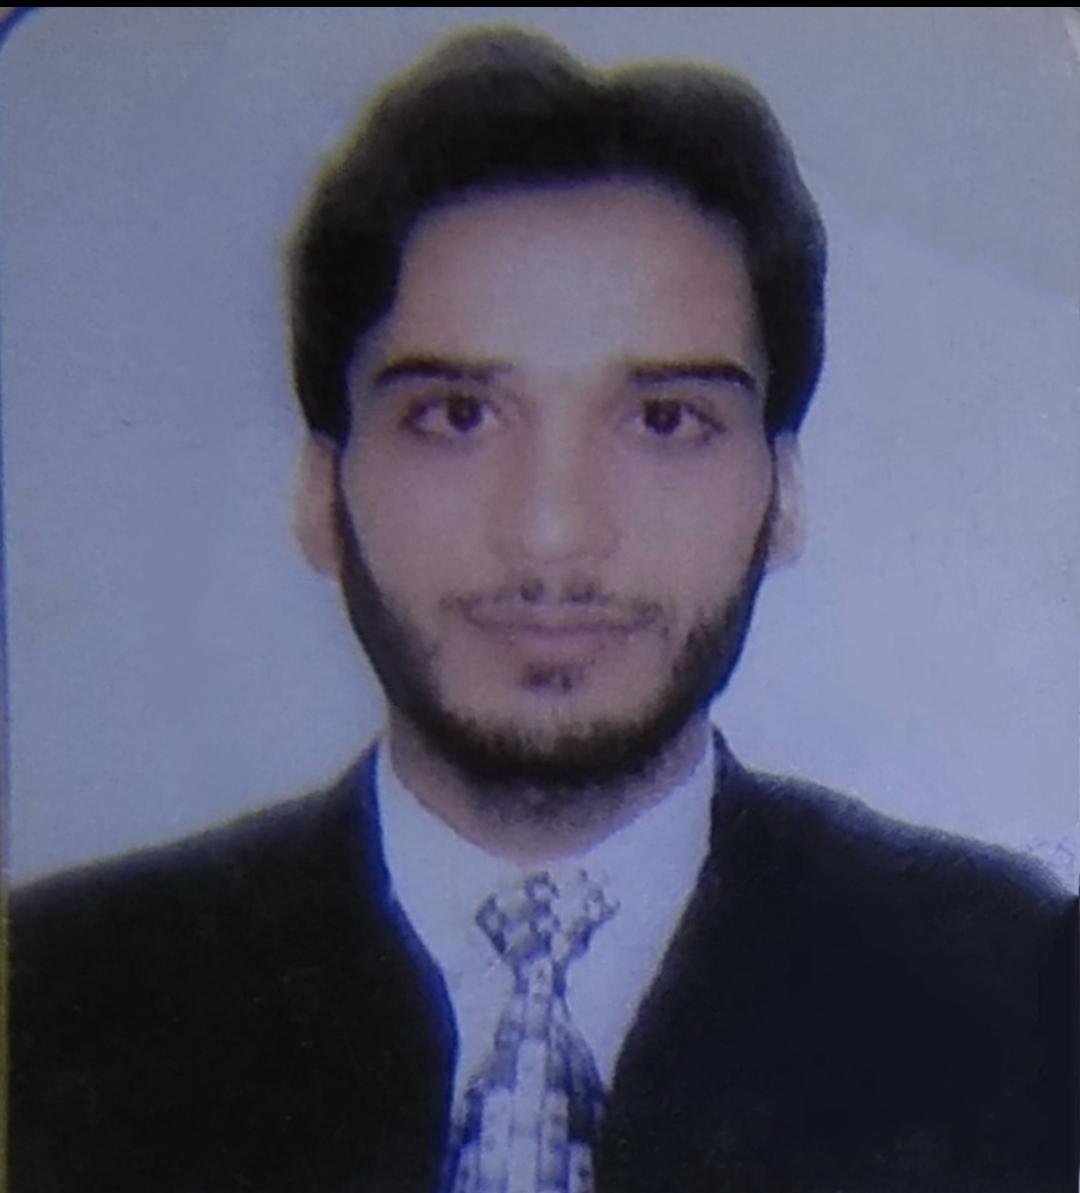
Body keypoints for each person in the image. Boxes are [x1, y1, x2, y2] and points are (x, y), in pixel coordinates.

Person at [10, 27, 1076, 1193]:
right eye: (456, 416)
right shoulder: (52, 998)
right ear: (321, 491)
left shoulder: (1020, 996)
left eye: (664, 419)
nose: (553, 532)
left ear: (783, 496)